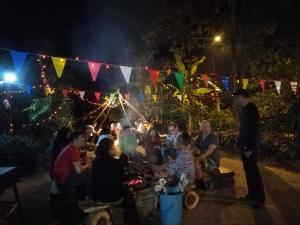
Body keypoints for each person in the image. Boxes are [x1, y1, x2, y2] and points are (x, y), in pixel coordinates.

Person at [234, 89, 265, 208]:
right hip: (245, 147)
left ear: (241, 96)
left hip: (250, 148)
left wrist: (249, 148)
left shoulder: (251, 108)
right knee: (249, 172)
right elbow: (245, 130)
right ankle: (252, 194)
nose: (236, 100)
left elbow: (254, 130)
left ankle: (259, 198)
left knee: (253, 172)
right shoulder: (245, 110)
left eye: (236, 98)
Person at [91, 138, 125, 203]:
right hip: (114, 197)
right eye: (114, 148)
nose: (115, 149)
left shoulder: (95, 161)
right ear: (109, 150)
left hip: (98, 197)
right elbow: (123, 178)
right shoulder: (116, 162)